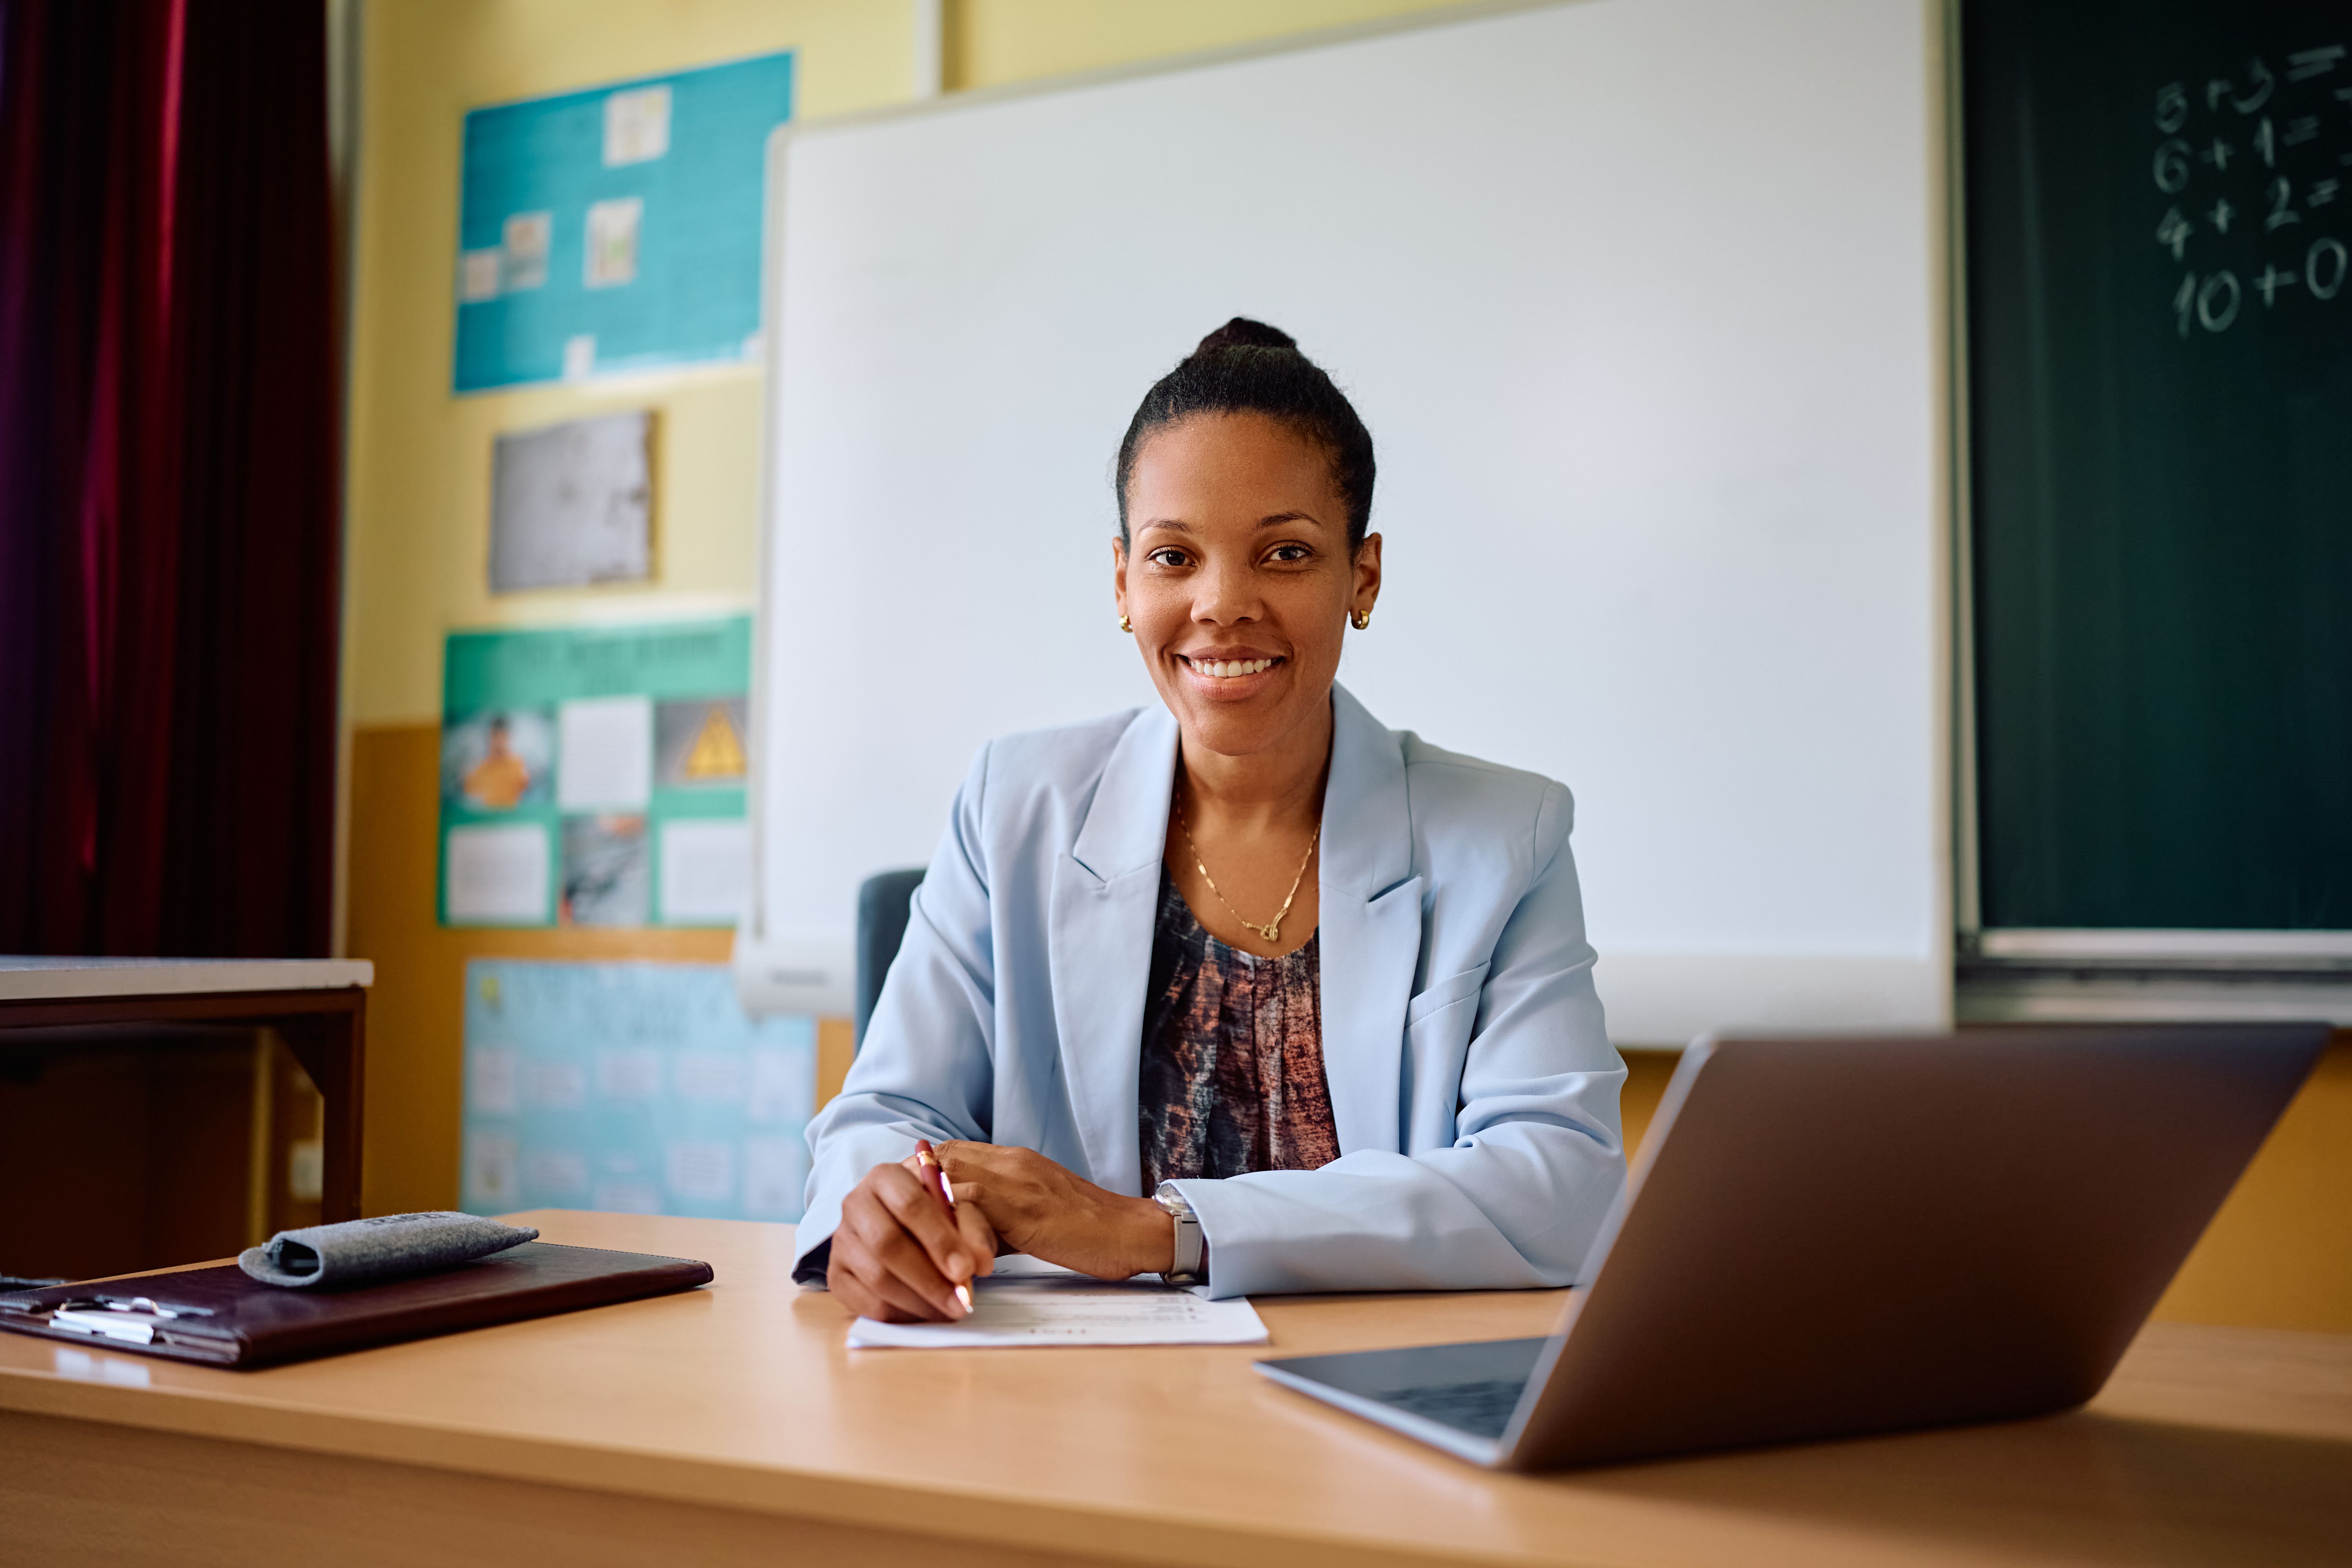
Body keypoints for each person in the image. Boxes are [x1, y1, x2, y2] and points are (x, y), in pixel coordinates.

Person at [797, 319, 1626, 1322]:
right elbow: (889, 1113)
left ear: (1361, 577)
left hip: (1373, 1407)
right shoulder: (1014, 802)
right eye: (1173, 556)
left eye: (1284, 552)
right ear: (1122, 581)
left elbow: (1559, 1185)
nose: (1222, 605)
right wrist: (885, 1208)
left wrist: (1153, 1229)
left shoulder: (1503, 834)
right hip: (1070, 1411)